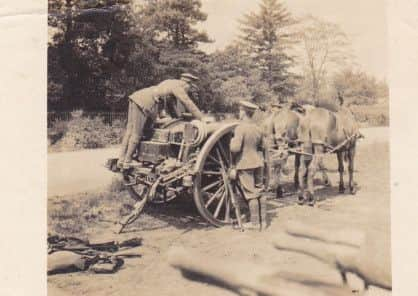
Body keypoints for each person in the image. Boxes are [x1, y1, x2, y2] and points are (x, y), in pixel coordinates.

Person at [117, 73, 206, 169]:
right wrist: (202, 118)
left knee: (129, 131)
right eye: (189, 89)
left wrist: (177, 118)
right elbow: (187, 102)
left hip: (137, 97)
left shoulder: (170, 83)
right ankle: (128, 161)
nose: (187, 91)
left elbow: (170, 105)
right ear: (187, 84)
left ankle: (121, 160)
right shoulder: (179, 87)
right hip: (145, 101)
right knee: (137, 133)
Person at [230, 101, 267, 230]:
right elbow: (263, 147)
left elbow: (235, 149)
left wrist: (231, 142)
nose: (239, 113)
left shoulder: (240, 128)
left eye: (240, 111)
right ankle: (264, 221)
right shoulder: (258, 128)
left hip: (245, 164)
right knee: (260, 191)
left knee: (251, 194)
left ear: (244, 112)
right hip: (258, 162)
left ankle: (255, 223)